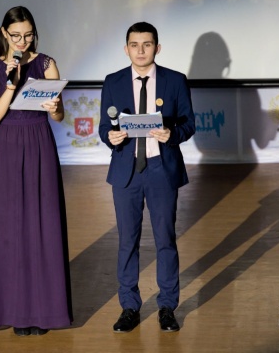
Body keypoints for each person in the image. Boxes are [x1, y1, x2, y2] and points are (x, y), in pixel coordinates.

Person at [0, 6, 73, 336]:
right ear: (4, 33)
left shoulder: (46, 63)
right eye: (16, 35)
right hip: (7, 146)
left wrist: (56, 107)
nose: (23, 41)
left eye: (29, 35)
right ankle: (16, 311)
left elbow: (59, 116)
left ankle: (44, 311)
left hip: (38, 142)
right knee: (10, 227)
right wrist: (11, 84)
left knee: (42, 224)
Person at [98, 22, 195, 333]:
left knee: (165, 239)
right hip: (126, 172)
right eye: (134, 45)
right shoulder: (112, 82)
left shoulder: (175, 81)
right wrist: (110, 137)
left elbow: (189, 124)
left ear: (158, 47)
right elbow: (104, 127)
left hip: (160, 169)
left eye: (147, 44)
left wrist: (172, 134)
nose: (140, 50)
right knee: (127, 241)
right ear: (126, 49)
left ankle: (167, 306)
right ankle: (129, 307)